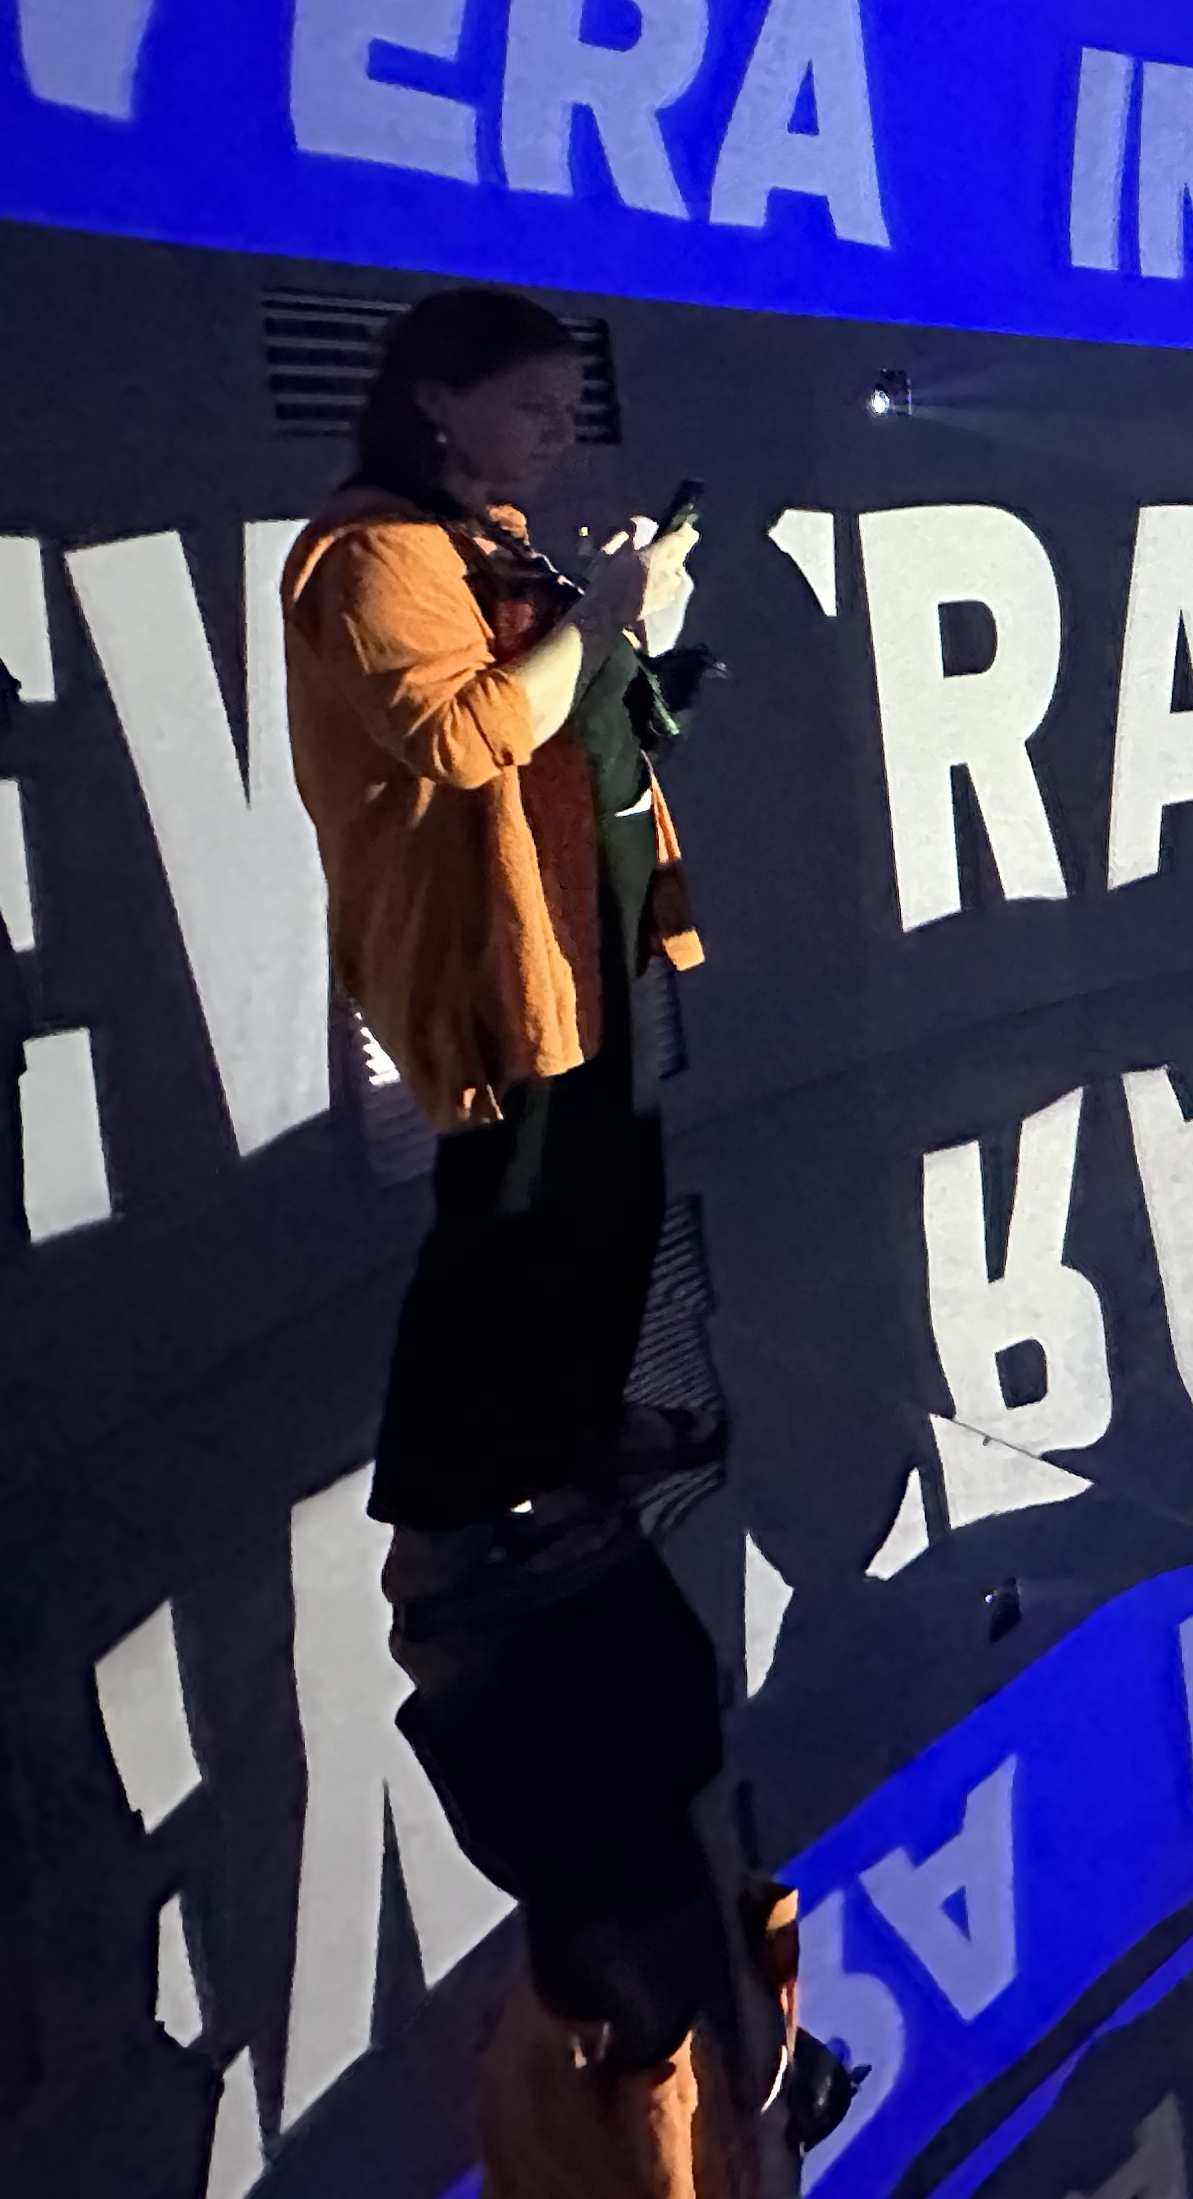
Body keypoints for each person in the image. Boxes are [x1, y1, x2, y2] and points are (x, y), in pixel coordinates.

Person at [280, 290, 707, 1533]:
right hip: (496, 937)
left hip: (587, 911)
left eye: (569, 408)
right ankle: (458, 1490)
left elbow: (582, 703)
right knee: (509, 1217)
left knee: (613, 1191)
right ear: (434, 403)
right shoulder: (368, 557)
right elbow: (465, 737)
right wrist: (597, 617)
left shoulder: (491, 535)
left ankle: (575, 1425)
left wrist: (645, 614)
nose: (558, 432)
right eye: (530, 405)